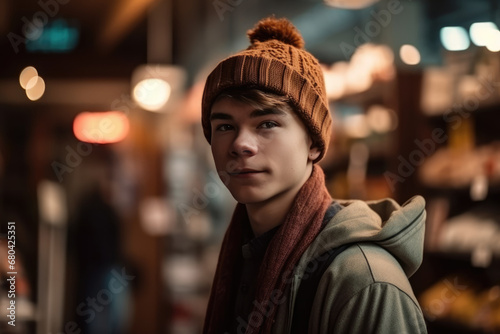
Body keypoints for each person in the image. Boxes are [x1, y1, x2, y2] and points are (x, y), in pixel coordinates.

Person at [200, 16, 427, 334]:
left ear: (314, 145)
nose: (240, 144)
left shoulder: (364, 282)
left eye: (266, 123)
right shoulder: (245, 255)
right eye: (224, 126)